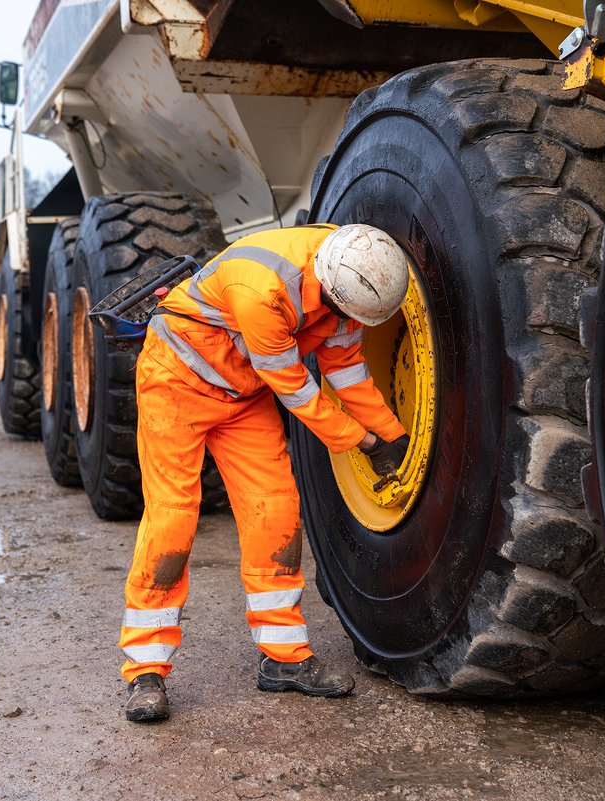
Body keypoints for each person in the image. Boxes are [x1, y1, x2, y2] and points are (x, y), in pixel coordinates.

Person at [120, 223, 412, 722]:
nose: (345, 321)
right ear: (325, 285)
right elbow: (295, 389)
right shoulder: (262, 289)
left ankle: (284, 659)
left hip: (242, 395)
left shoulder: (355, 271)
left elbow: (347, 371)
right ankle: (146, 669)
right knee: (172, 521)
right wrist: (362, 442)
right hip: (176, 382)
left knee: (276, 513)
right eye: (343, 313)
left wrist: (393, 433)